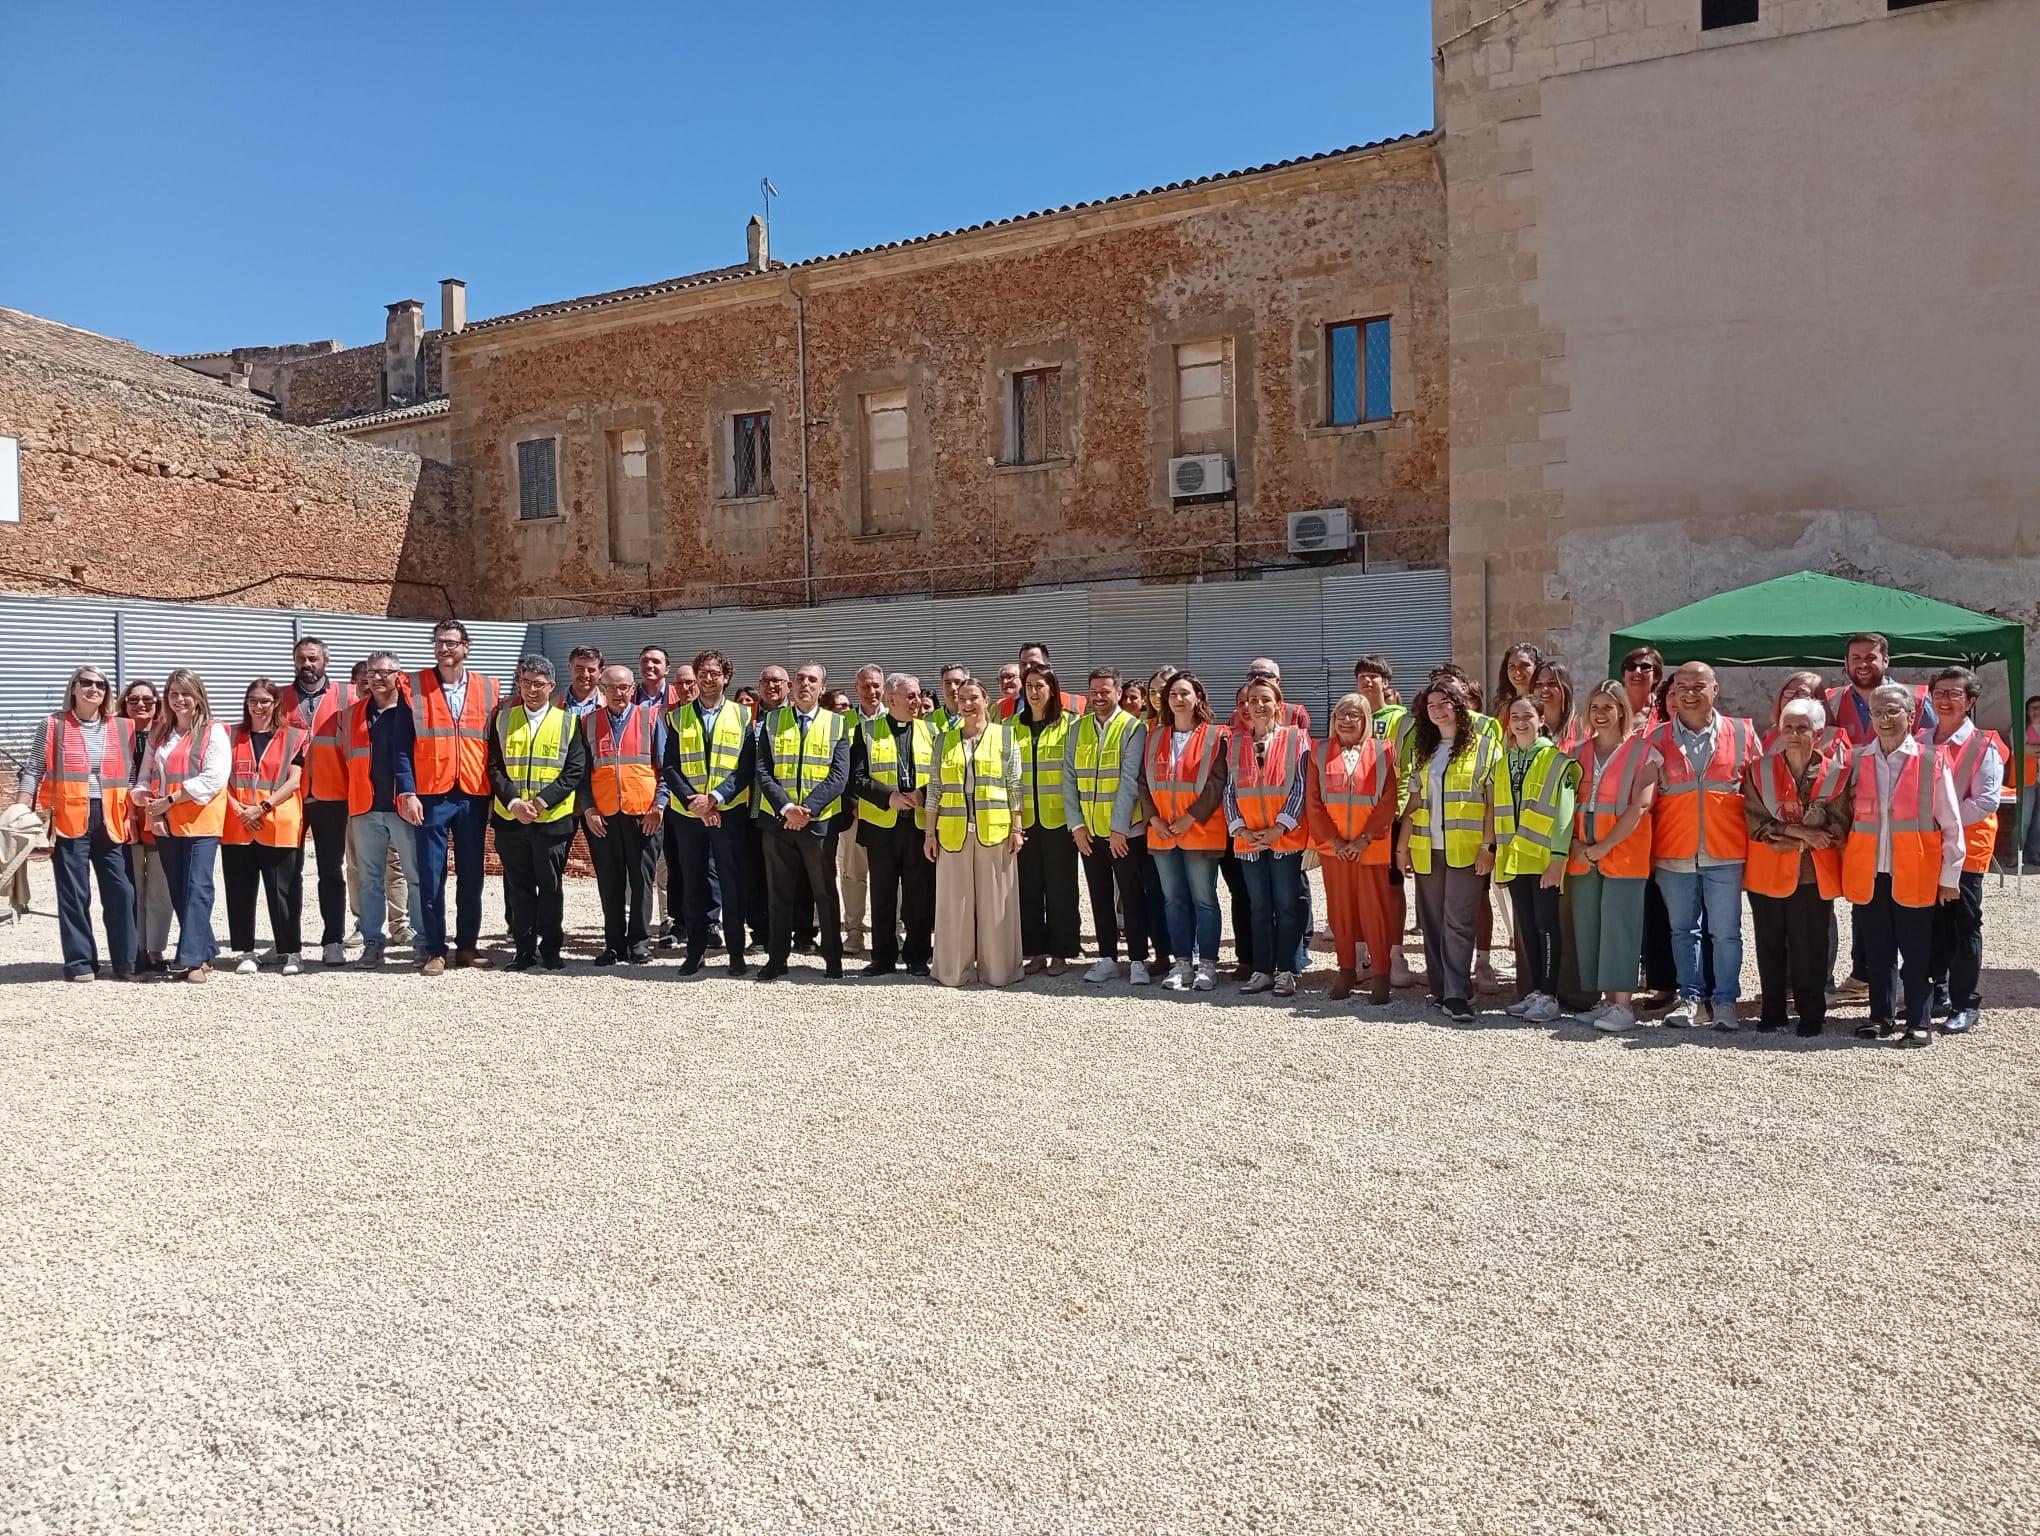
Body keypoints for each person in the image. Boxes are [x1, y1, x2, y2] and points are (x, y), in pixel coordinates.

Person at [1841, 683, 1964, 1047]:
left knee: (1917, 955)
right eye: (1877, 712)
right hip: (1870, 872)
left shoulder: (1932, 761)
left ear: (1911, 717)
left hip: (1916, 873)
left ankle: (1919, 1022)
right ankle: (1880, 1018)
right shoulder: (1858, 760)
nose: (1884, 719)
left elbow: (1952, 824)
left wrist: (1950, 877)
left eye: (1893, 711)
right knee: (1877, 953)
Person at [1648, 661, 1761, 1030]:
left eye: (1699, 685)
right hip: (1673, 850)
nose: (1690, 692)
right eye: (1682, 686)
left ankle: (1725, 1001)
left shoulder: (1742, 732)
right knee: (1682, 930)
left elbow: (1758, 792)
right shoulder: (1656, 738)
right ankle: (1691, 998)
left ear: (1715, 689)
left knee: (1726, 932)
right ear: (1672, 693)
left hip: (1725, 851)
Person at [1396, 677, 1508, 1024]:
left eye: (1444, 703)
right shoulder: (1424, 749)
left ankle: (1458, 994)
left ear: (1459, 706)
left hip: (1468, 848)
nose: (1437, 710)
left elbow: (1493, 802)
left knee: (1458, 922)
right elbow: (1414, 800)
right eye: (1431, 705)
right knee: (1432, 922)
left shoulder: (1486, 747)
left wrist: (1489, 846)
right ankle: (1441, 988)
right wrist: (1402, 848)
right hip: (1427, 847)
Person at [15, 665, 136, 982]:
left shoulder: (123, 727)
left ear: (106, 692)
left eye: (100, 684)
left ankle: (125, 961)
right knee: (74, 892)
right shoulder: (52, 725)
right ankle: (80, 962)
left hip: (111, 818)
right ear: (73, 688)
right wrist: (20, 806)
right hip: (70, 819)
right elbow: (33, 768)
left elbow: (132, 773)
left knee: (121, 890)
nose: (93, 688)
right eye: (86, 682)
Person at [1742, 697, 1848, 1037]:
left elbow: (1840, 828)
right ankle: (1772, 1012)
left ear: (1817, 733)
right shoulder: (1758, 770)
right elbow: (1755, 822)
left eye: (1802, 728)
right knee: (1769, 944)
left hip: (1812, 875)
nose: (1793, 734)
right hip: (1767, 872)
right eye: (1787, 727)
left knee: (1811, 947)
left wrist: (1793, 840)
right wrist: (1801, 833)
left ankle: (1811, 1014)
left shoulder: (1837, 774)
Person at [1568, 681, 1659, 1034]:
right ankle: (1606, 1000)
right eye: (1595, 707)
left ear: (1622, 710)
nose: (1601, 714)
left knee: (1620, 927)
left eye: (1609, 707)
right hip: (1583, 853)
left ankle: (1623, 1005)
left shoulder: (1645, 751)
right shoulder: (1577, 753)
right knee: (1591, 927)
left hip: (1623, 852)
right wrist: (1577, 845)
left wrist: (1603, 847)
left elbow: (1640, 805)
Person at [410, 619, 500, 973]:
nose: (444, 649)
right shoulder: (414, 686)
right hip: (431, 793)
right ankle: (434, 948)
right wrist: (407, 790)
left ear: (466, 647)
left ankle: (467, 946)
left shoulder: (489, 688)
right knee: (432, 875)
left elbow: (495, 743)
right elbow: (404, 744)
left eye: (451, 643)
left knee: (472, 874)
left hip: (473, 794)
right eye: (439, 643)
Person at [488, 655, 588, 971]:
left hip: (552, 820)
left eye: (539, 684)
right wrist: (515, 802)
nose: (532, 689)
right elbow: (494, 767)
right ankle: (523, 950)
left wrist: (541, 802)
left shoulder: (568, 722)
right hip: (511, 820)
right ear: (519, 683)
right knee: (518, 889)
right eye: (526, 682)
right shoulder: (502, 720)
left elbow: (574, 770)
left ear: (551, 687)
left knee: (550, 888)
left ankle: (551, 950)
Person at [925, 675, 1024, 987]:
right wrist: (929, 834)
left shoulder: (1005, 737)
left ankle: (1000, 971)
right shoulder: (944, 740)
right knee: (954, 904)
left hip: (995, 830)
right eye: (961, 699)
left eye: (972, 698)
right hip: (953, 832)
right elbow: (935, 790)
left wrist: (1017, 828)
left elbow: (1014, 787)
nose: (966, 704)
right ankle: (954, 970)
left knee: (997, 904)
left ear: (986, 701)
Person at [134, 668, 230, 983]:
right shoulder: (160, 733)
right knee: (179, 889)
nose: (179, 700)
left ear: (198, 695)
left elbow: (214, 777)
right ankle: (207, 948)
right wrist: (152, 809)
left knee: (198, 887)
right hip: (167, 823)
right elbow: (145, 778)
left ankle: (191, 960)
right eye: (173, 693)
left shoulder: (214, 731)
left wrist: (170, 800)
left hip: (201, 821)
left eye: (185, 693)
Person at [755, 660, 851, 979]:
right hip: (778, 822)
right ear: (791, 686)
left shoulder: (837, 724)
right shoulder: (771, 721)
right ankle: (777, 958)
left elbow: (839, 776)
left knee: (824, 892)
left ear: (822, 689)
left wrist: (807, 809)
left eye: (812, 680)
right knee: (778, 893)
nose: (805, 684)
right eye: (799, 679)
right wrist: (787, 809)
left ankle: (833, 958)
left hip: (818, 823)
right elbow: (763, 771)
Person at [1922, 666, 2003, 1036]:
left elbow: (1986, 801)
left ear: (1970, 702)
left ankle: (1965, 1002)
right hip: (1923, 850)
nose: (1944, 699)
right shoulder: (1920, 739)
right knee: (1930, 925)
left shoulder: (1985, 745)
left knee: (1964, 925)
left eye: (1954, 694)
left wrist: (1940, 822)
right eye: (1939, 692)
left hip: (1966, 850)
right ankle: (1936, 989)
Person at [664, 649, 753, 976]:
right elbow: (670, 766)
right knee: (693, 886)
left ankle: (736, 955)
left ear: (726, 677)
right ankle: (695, 952)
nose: (708, 678)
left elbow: (745, 769)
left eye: (714, 673)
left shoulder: (743, 716)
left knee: (731, 886)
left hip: (728, 814)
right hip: (688, 817)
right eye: (703, 672)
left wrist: (714, 798)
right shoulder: (677, 716)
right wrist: (694, 802)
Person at [1066, 668, 1154, 987]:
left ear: (1118, 693)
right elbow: (1069, 779)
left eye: (1105, 691)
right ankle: (1106, 958)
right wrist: (1076, 825)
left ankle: (1138, 960)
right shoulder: (1077, 729)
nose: (1099, 696)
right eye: (1094, 691)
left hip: (1124, 833)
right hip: (1089, 832)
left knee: (1131, 896)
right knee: (1099, 895)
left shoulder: (1133, 728)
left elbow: (1130, 780)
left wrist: (1119, 829)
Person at [1306, 693, 1396, 1003]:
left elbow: (1388, 801)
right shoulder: (1318, 752)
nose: (1346, 719)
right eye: (1341, 713)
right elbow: (1313, 802)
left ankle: (1381, 973)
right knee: (1340, 912)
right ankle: (1346, 969)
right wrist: (1334, 842)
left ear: (1366, 721)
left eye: (1355, 715)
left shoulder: (1383, 752)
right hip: (1336, 850)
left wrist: (1364, 839)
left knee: (1375, 912)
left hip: (1369, 848)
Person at [1144, 671, 1230, 993]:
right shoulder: (1154, 736)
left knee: (1204, 899)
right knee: (1173, 900)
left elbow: (1217, 781)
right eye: (1172, 695)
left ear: (1198, 698)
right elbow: (1144, 781)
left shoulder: (1215, 735)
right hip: (1162, 832)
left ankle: (1207, 963)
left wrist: (1189, 818)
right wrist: (1152, 818)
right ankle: (1182, 963)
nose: (1178, 700)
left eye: (1184, 693)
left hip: (1199, 831)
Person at [279, 637, 361, 967]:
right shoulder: (279, 698)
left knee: (330, 870)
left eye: (313, 658)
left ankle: (333, 941)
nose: (307, 665)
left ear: (326, 660)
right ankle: (289, 944)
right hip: (291, 796)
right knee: (288, 872)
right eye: (301, 659)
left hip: (332, 793)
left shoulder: (348, 695)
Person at [1226, 676, 1311, 998]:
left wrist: (1280, 827)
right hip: (1248, 839)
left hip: (1283, 838)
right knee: (1258, 906)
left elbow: (1301, 786)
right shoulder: (1235, 743)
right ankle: (1262, 968)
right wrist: (1239, 828)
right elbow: (1229, 791)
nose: (1258, 706)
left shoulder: (1295, 738)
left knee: (1287, 905)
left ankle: (1287, 970)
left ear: (1278, 704)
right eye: (1252, 700)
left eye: (1265, 699)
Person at [1495, 696, 1578, 1023]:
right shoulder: (1505, 762)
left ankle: (1550, 995)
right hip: (1515, 860)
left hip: (1544, 859)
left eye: (1527, 715)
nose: (1519, 721)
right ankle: (1536, 991)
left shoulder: (1558, 761)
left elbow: (1564, 813)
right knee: (1527, 928)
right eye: (1514, 716)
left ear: (1541, 719)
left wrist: (1557, 859)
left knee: (1546, 927)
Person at [849, 672, 937, 977]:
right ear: (892, 699)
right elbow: (857, 778)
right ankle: (883, 957)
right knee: (883, 895)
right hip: (882, 826)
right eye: (910, 696)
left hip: (918, 825)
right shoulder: (866, 731)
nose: (917, 702)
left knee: (919, 895)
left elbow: (942, 775)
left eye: (917, 696)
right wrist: (889, 797)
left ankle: (917, 957)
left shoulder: (932, 731)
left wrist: (922, 794)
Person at [341, 651, 424, 969]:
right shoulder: (352, 715)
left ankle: (421, 940)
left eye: (383, 672)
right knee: (369, 880)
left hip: (404, 807)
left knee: (415, 878)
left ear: (398, 674)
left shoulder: (413, 710)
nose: (376, 678)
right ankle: (372, 944)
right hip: (365, 808)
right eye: (370, 673)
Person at [221, 678, 307, 975]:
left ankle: (291, 951)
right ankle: (246, 951)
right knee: (240, 890)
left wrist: (262, 807)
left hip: (277, 822)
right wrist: (240, 810)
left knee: (284, 891)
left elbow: (294, 780)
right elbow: (220, 779)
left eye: (265, 701)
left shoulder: (294, 737)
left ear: (276, 704)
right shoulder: (230, 735)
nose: (258, 707)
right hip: (237, 824)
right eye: (253, 701)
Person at [583, 665, 664, 966]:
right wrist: (589, 809)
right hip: (603, 817)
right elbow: (582, 773)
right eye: (612, 687)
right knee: (610, 882)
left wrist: (659, 805)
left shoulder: (650, 719)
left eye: (624, 687)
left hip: (644, 815)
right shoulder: (589, 722)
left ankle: (640, 943)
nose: (618, 693)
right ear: (601, 689)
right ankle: (614, 944)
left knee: (643, 881)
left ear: (633, 689)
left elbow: (666, 768)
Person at [1011, 664, 1080, 976]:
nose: (1034, 692)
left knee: (1061, 888)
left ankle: (1062, 952)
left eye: (1040, 686)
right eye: (1029, 686)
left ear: (1053, 689)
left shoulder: (1070, 725)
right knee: (1028, 888)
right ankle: (1035, 951)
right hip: (1024, 820)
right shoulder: (1012, 727)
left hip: (1059, 820)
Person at [1353, 654, 1415, 988]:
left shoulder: (1402, 720)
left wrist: (1399, 808)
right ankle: (1363, 950)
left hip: (1390, 813)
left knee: (1393, 886)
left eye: (1374, 675)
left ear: (1385, 681)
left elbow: (1407, 768)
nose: (1367, 680)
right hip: (1356, 815)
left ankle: (1395, 952)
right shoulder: (1350, 715)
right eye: (1362, 675)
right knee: (1361, 886)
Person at [118, 679, 172, 973]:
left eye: (148, 701)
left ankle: (156, 949)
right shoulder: (113, 733)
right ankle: (135, 948)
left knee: (160, 888)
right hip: (124, 819)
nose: (140, 705)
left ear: (157, 704)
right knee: (132, 887)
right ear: (124, 703)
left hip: (159, 816)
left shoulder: (166, 735)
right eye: (133, 700)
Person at [838, 662, 888, 957]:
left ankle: (891, 931)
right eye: (866, 686)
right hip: (855, 812)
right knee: (853, 875)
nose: (872, 691)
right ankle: (854, 932)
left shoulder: (895, 718)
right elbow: (836, 768)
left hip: (887, 813)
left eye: (876, 686)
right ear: (856, 688)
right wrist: (851, 803)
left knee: (889, 876)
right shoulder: (843, 722)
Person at [1828, 632, 1935, 748]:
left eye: (1870, 658)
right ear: (1846, 662)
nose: (1863, 664)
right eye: (1856, 658)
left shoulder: (1916, 699)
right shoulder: (1831, 701)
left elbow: (1933, 749)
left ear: (1885, 661)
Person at [999, 644, 1083, 718]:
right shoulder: (1001, 707)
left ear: (1048, 667)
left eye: (1034, 663)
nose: (1027, 668)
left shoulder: (1075, 703)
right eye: (1023, 664)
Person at [1761, 671, 1837, 752]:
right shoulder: (1770, 735)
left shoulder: (1834, 737)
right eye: (1789, 692)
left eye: (1802, 693)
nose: (1793, 698)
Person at [1531, 662, 1581, 754]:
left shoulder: (1581, 728)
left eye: (1551, 684)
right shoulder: (1528, 727)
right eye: (1538, 685)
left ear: (1565, 688)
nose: (1544, 689)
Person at [1492, 643, 1544, 724]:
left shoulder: (1545, 705)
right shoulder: (1503, 709)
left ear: (1537, 667)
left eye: (1524, 665)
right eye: (1512, 667)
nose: (1517, 672)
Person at [1618, 647, 1664, 733]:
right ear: (1624, 676)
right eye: (1631, 666)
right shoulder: (1610, 709)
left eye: (1645, 667)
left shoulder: (1664, 712)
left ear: (1656, 677)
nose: (1637, 671)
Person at [562, 646, 605, 718]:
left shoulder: (609, 704)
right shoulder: (552, 703)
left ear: (601, 672)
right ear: (570, 669)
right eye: (579, 669)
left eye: (591, 670)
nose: (585, 675)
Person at [2023, 696, 2040, 869]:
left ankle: (2034, 853)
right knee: (2024, 819)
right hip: (2026, 778)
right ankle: (2016, 853)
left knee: (2038, 820)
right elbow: (2019, 749)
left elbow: (2028, 749)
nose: (2035, 711)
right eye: (2032, 708)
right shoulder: (2020, 728)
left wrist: (2030, 749)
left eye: (2039, 708)